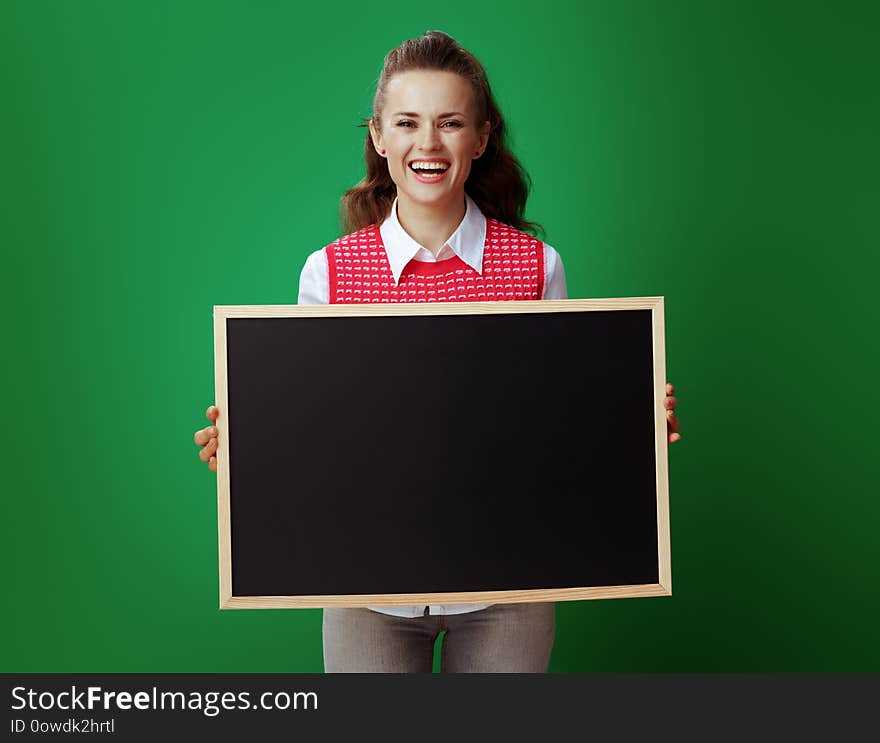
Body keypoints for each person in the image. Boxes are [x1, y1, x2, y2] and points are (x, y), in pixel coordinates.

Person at [193, 30, 682, 672]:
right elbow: (313, 428)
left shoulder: (536, 266)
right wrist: (248, 444)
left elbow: (561, 420)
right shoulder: (329, 273)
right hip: (364, 589)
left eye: (450, 123)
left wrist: (630, 422)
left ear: (479, 139)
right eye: (407, 123)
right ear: (379, 136)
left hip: (511, 586)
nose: (428, 144)